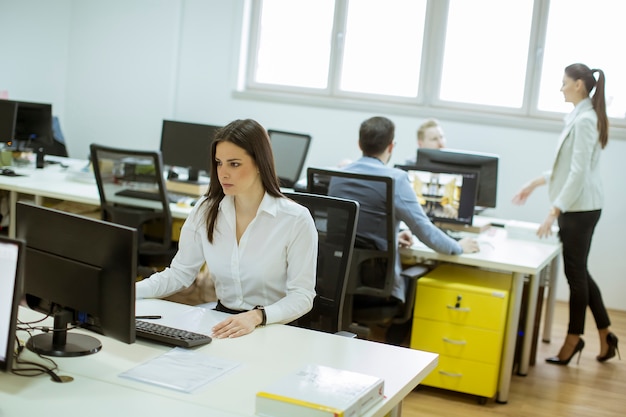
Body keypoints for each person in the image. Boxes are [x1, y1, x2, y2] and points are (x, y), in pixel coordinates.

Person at [136, 119, 318, 339]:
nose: (223, 173)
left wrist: (257, 316)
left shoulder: (294, 219)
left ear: (260, 163)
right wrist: (132, 292)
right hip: (223, 323)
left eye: (234, 164)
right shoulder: (206, 209)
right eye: (219, 163)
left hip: (275, 327)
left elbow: (302, 296)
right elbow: (180, 273)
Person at [329, 116, 478, 344]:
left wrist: (390, 236)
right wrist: (458, 246)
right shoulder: (395, 179)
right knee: (421, 280)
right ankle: (395, 353)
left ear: (360, 144)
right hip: (375, 287)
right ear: (391, 146)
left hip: (336, 284)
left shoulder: (338, 176)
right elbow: (424, 231)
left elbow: (347, 229)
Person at [512, 63, 619, 365]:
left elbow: (578, 173)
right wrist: (534, 183)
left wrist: (554, 209)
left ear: (579, 86)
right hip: (580, 205)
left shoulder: (585, 120)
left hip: (579, 208)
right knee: (580, 271)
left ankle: (574, 338)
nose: (560, 88)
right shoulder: (579, 116)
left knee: (576, 276)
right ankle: (606, 334)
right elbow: (566, 168)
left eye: (564, 83)